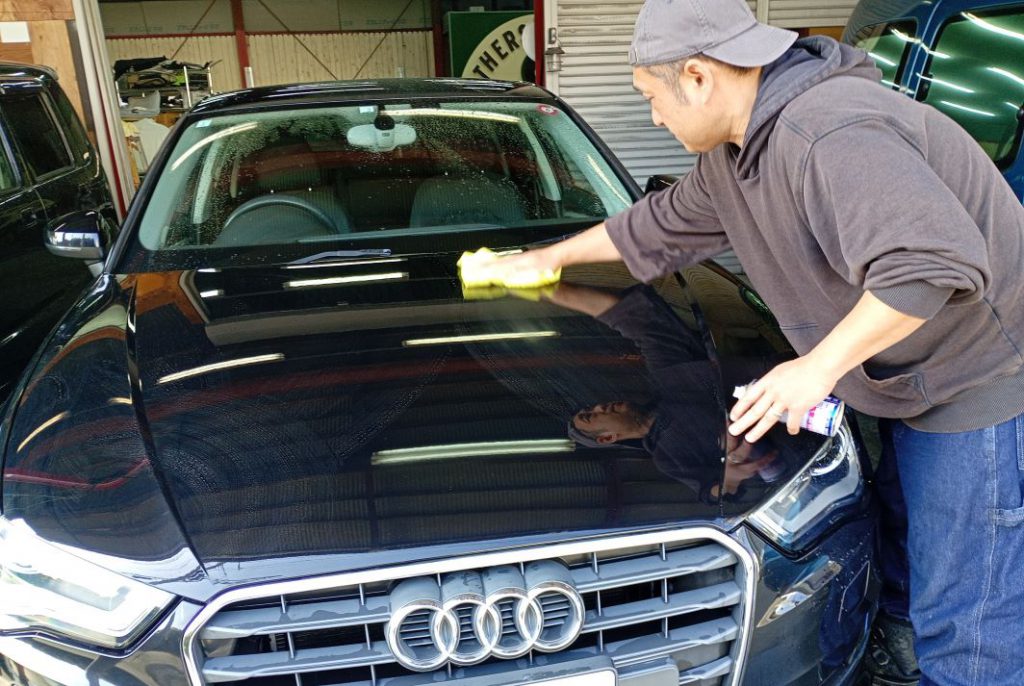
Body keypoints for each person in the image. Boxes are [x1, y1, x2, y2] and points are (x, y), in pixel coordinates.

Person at [485, 0, 1024, 684]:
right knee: (908, 547)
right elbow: (658, 225)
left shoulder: (828, 131)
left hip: (977, 382)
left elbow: (928, 267)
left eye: (651, 97)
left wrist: (817, 367)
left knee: (968, 611)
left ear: (699, 76)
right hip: (905, 378)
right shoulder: (737, 155)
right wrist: (546, 260)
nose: (654, 118)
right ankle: (904, 651)